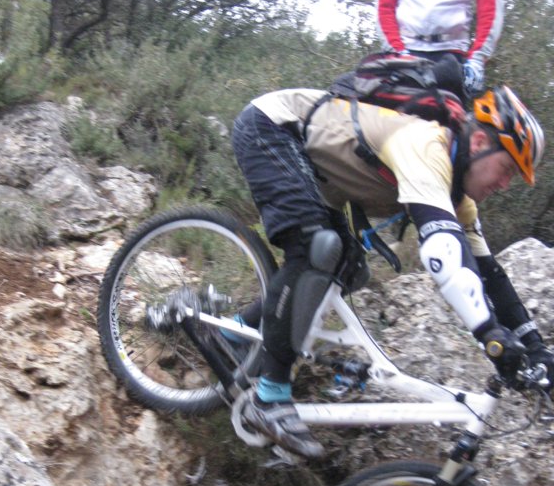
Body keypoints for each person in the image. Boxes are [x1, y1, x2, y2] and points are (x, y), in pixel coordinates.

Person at [231, 83, 551, 459]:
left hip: (312, 165)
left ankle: (238, 332)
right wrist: (489, 334)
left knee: (351, 269)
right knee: (316, 247)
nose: (505, 184)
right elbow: (443, 256)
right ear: (479, 142)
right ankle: (270, 397)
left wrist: (536, 348)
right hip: (274, 125)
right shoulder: (426, 146)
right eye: (507, 168)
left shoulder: (458, 198)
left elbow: (490, 275)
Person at [375, 0, 505, 97]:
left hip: (453, 58)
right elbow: (384, 6)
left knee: (451, 115)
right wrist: (396, 50)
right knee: (399, 115)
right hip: (405, 52)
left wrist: (477, 60)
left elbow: (491, 8)